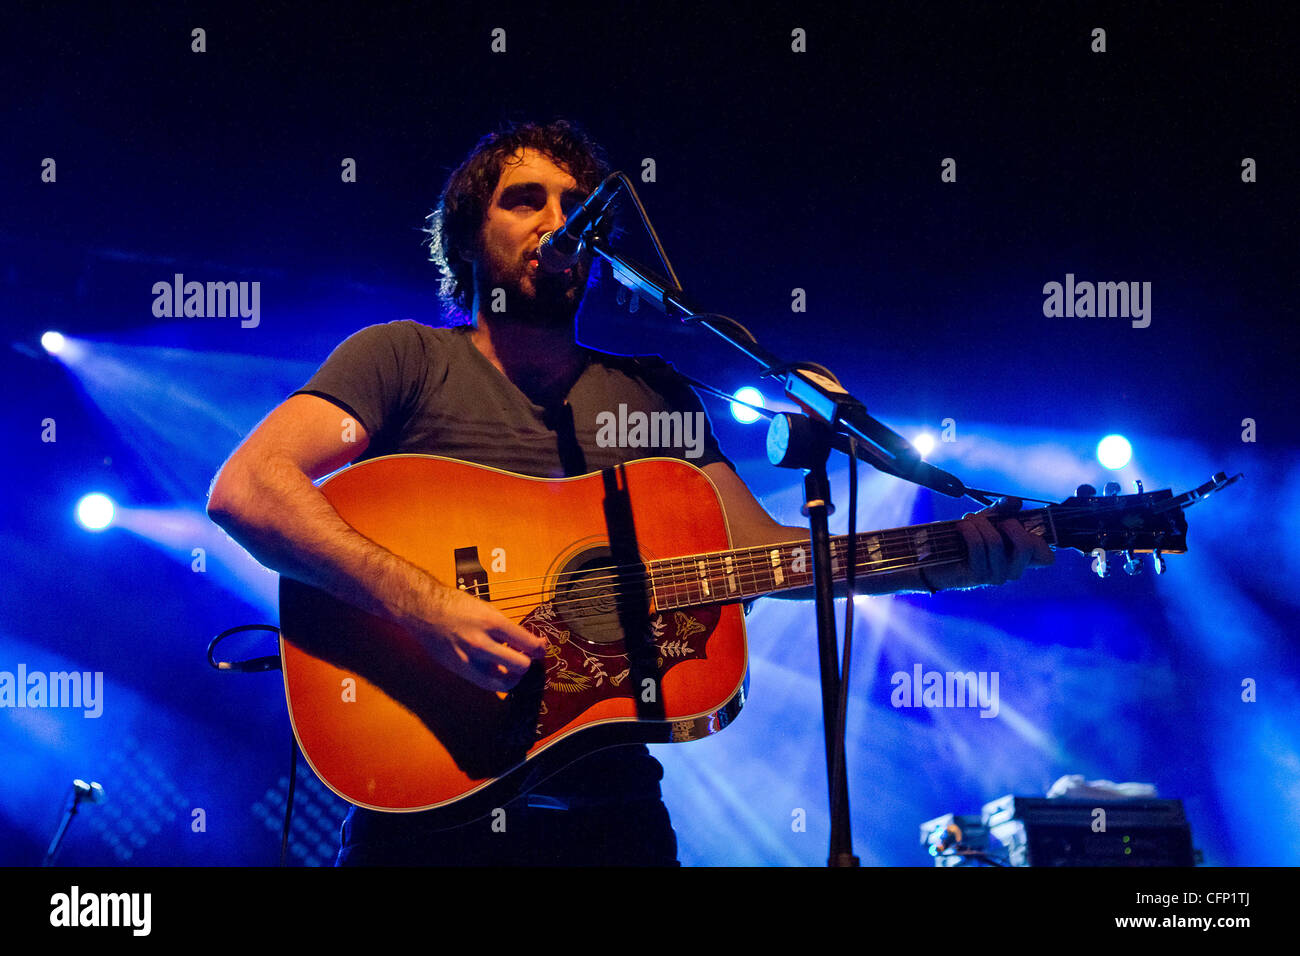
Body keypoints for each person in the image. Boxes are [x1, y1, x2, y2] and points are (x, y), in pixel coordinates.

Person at [206, 119, 1053, 866]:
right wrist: (430, 608)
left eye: (574, 202)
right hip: (425, 819)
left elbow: (769, 562)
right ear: (469, 238)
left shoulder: (655, 396)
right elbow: (249, 487)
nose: (557, 218)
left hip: (612, 822)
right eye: (524, 199)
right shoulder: (401, 358)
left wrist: (949, 560)